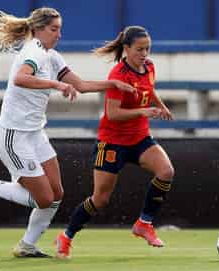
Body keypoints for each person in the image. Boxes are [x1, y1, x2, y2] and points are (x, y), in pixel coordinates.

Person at [0, 7, 135, 258]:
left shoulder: (51, 55)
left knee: (56, 194)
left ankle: (27, 246)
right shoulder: (33, 51)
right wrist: (56, 84)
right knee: (44, 199)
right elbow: (21, 79)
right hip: (14, 136)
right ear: (38, 29)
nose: (58, 34)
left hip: (35, 134)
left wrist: (111, 84)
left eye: (60, 29)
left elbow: (80, 85)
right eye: (54, 29)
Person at [54, 26, 175, 259]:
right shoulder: (118, 75)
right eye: (139, 49)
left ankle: (144, 224)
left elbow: (148, 90)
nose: (144, 54)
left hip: (139, 138)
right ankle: (67, 236)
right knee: (100, 199)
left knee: (166, 171)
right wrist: (144, 111)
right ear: (126, 49)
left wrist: (160, 105)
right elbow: (113, 113)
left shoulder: (149, 66)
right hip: (112, 142)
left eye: (147, 49)